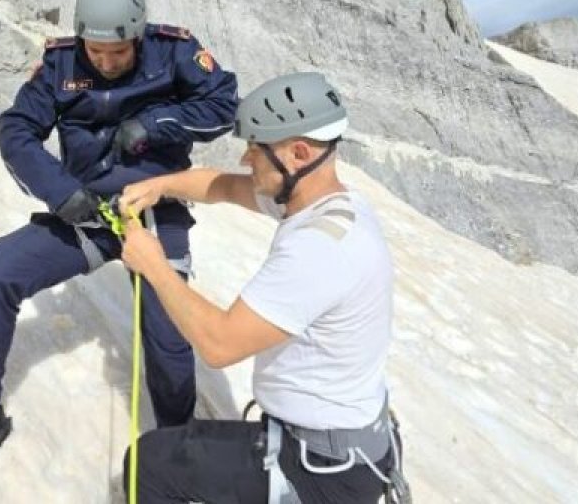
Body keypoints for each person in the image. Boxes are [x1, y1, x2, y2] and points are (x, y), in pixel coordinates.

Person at [0, 0, 238, 501]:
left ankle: (176, 449)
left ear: (138, 35)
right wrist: (58, 190)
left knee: (168, 336)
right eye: (98, 52)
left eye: (120, 52)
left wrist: (157, 125)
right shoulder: (60, 63)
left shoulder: (174, 52)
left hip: (154, 209)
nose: (108, 63)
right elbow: (17, 129)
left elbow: (223, 103)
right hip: (87, 209)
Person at [118, 72, 409, 503]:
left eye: (256, 148)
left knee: (149, 465)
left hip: (321, 470)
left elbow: (219, 345)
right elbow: (228, 188)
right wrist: (161, 185)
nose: (245, 157)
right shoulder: (327, 204)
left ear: (298, 153)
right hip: (343, 448)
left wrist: (155, 266)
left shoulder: (318, 249)